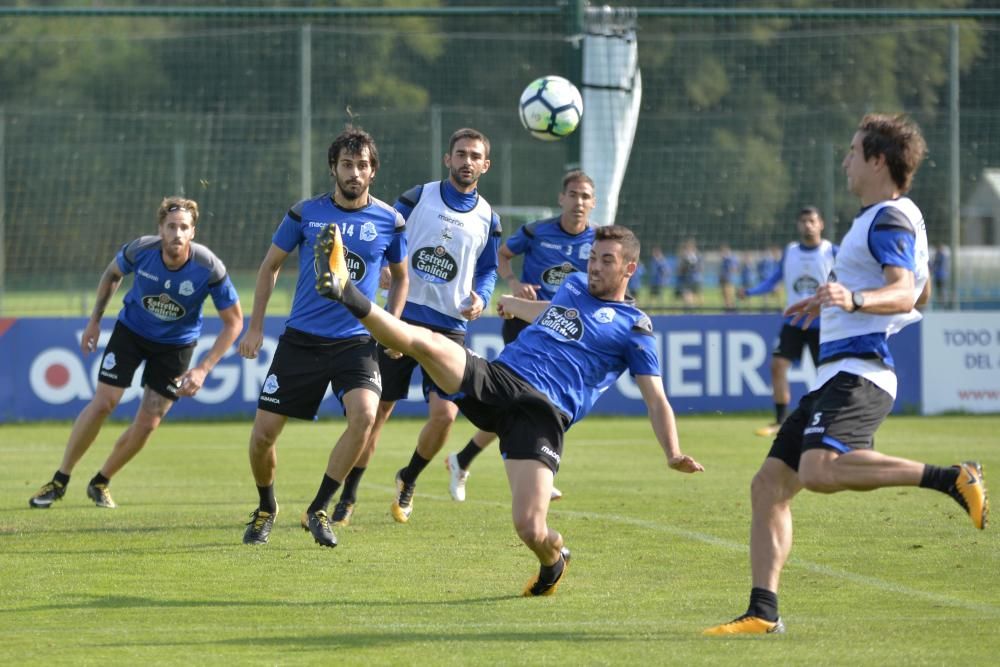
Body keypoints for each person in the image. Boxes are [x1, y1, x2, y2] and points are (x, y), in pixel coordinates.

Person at [704, 113, 988, 637]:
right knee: (769, 484)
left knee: (818, 471)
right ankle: (763, 612)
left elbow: (904, 291)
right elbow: (919, 292)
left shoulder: (889, 218)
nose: (845, 160)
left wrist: (854, 299)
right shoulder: (882, 219)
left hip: (860, 374)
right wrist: (830, 303)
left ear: (878, 160)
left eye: (854, 151)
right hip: (833, 375)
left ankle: (953, 478)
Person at [315, 223, 704, 595]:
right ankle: (345, 288)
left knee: (530, 529)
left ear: (629, 269)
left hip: (542, 415)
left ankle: (554, 560)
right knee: (427, 342)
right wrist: (515, 304)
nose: (594, 267)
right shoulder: (572, 287)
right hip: (500, 378)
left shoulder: (634, 327)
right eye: (593, 259)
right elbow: (556, 314)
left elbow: (656, 398)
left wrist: (672, 452)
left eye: (606, 260)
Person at [238, 127, 407, 547]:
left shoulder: (390, 220)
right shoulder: (304, 213)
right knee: (262, 438)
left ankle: (319, 509)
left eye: (363, 165)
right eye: (347, 165)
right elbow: (269, 267)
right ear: (333, 168)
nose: (355, 172)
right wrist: (255, 326)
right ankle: (265, 507)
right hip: (302, 340)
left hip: (357, 342)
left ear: (373, 171)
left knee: (365, 417)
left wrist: (393, 328)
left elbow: (402, 277)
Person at [325, 127, 501, 527]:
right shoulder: (419, 196)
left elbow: (489, 268)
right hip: (403, 318)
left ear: (485, 165)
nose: (467, 161)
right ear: (448, 159)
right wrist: (384, 267)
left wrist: (482, 296)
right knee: (378, 412)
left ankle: (409, 479)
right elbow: (386, 232)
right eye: (460, 154)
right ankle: (348, 495)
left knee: (445, 416)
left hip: (450, 327)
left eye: (475, 156)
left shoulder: (489, 217)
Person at [29, 197, 243, 509]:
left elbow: (234, 322)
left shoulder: (208, 267)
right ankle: (60, 480)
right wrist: (94, 321)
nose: (177, 233)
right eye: (171, 226)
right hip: (131, 333)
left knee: (149, 422)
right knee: (105, 402)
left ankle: (101, 481)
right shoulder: (141, 250)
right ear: (160, 229)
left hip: (176, 345)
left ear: (193, 232)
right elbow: (112, 274)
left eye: (184, 227)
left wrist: (203, 369)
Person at [445, 170, 597, 503]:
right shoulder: (537, 231)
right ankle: (532, 466)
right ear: (561, 198)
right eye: (573, 194)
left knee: (529, 405)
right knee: (526, 403)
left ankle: (466, 459)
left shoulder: (598, 242)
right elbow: (502, 255)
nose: (578, 202)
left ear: (593, 202)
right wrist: (513, 283)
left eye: (585, 196)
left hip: (568, 332)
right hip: (527, 323)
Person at [739, 207, 837, 437]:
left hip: (822, 324)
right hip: (794, 322)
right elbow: (774, 280)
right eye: (803, 221)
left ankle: (829, 420)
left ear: (821, 224)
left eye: (812, 221)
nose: (808, 225)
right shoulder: (791, 251)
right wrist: (751, 292)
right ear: (798, 225)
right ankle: (781, 420)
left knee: (826, 375)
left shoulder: (832, 251)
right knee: (777, 366)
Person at [675, 238, 703, 310]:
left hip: (689, 278)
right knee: (696, 294)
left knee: (688, 293)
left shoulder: (686, 256)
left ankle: (690, 308)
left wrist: (681, 271)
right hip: (697, 278)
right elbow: (700, 267)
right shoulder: (698, 255)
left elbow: (681, 268)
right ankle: (698, 309)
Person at [718, 244, 739, 311]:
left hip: (728, 279)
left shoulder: (730, 258)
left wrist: (730, 271)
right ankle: (728, 309)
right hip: (724, 278)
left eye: (722, 251)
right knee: (725, 296)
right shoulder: (725, 259)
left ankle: (731, 309)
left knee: (729, 295)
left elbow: (734, 268)